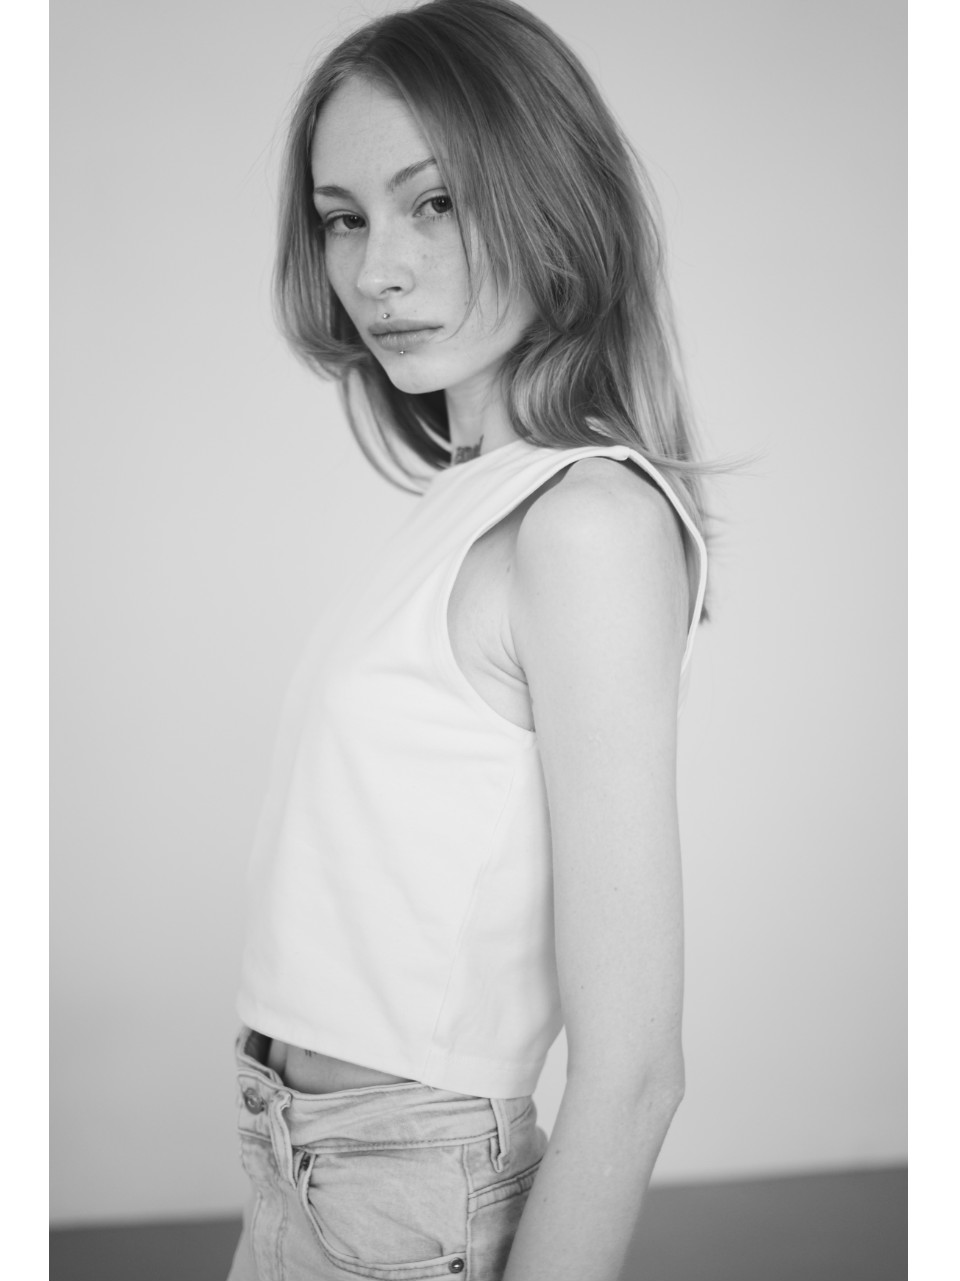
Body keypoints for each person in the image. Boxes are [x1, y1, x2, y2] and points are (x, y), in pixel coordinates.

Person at [227, 1, 710, 1278]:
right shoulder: (468, 502)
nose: (376, 270)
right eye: (343, 218)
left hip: (403, 1190)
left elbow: (636, 1070)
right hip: (300, 1161)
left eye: (433, 202)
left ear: (551, 198)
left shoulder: (588, 522)